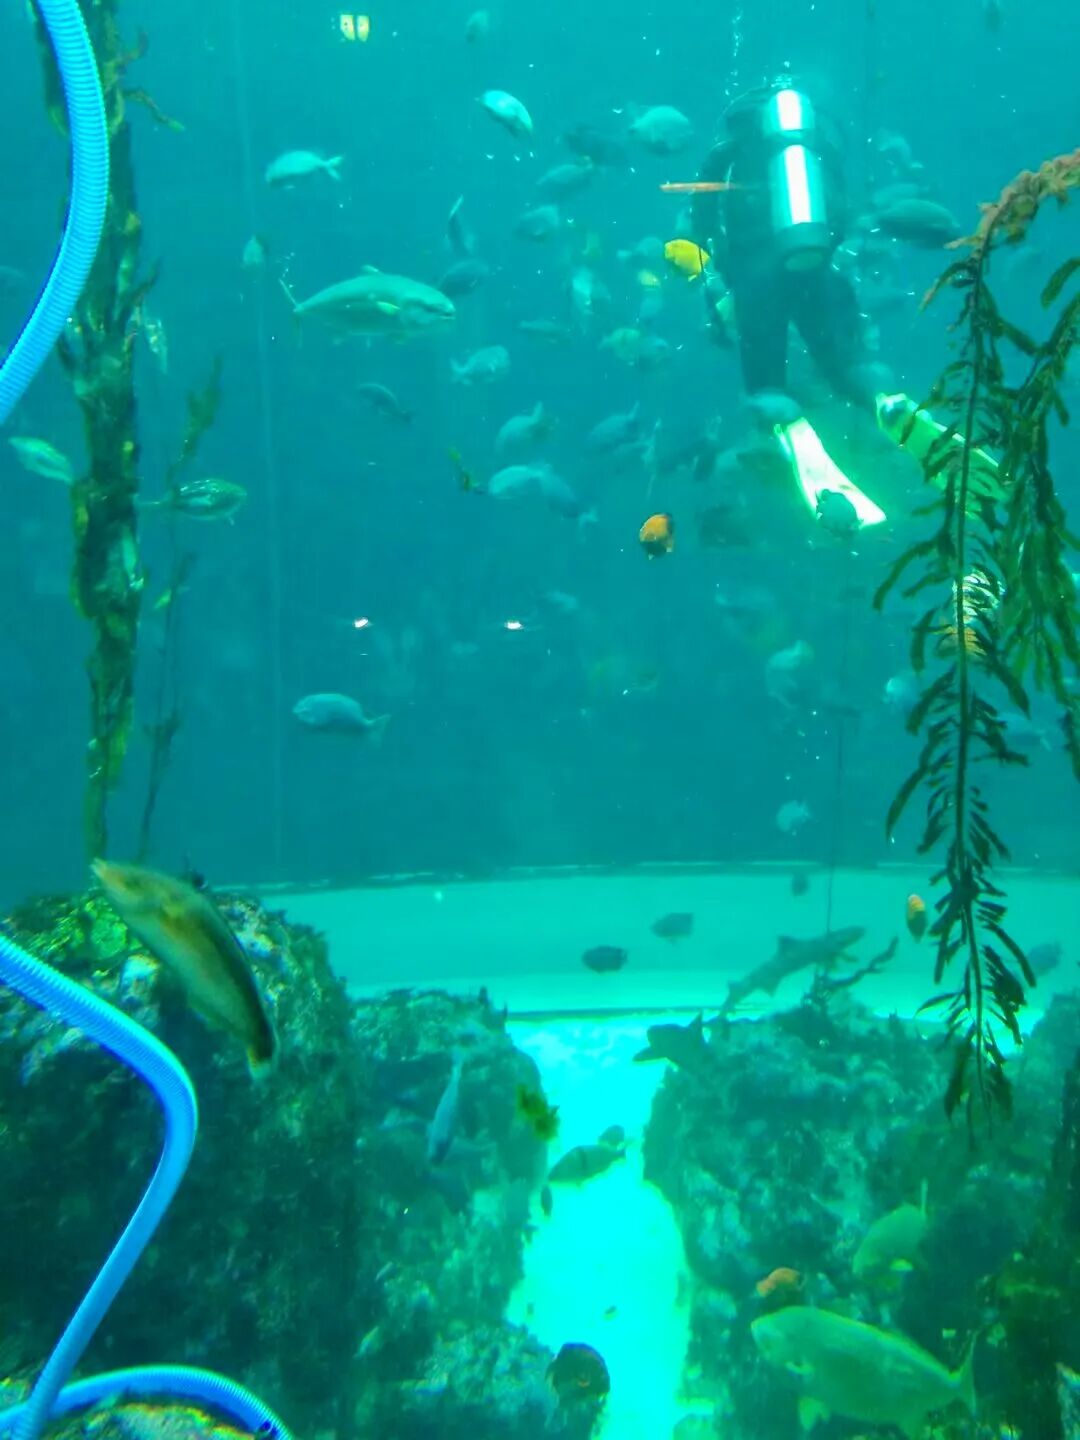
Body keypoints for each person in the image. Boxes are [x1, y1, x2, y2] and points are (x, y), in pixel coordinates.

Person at [688, 72, 1002, 530]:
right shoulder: (815, 147)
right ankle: (888, 404)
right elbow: (842, 212)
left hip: (756, 283)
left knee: (768, 389)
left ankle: (794, 430)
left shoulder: (728, 152)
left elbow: (702, 225)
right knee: (849, 368)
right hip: (818, 269)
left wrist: (724, 282)